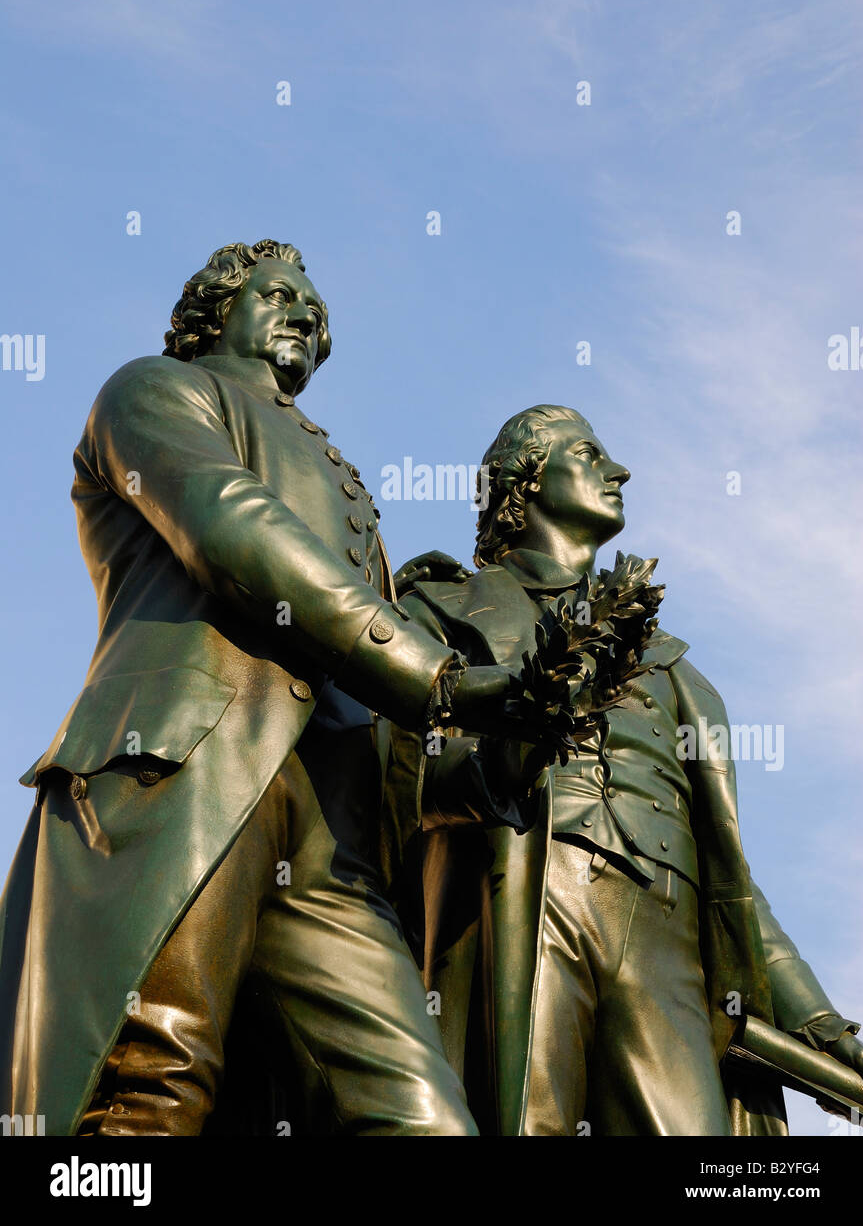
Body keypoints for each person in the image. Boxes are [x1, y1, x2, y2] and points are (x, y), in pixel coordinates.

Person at [0, 239, 532, 1137]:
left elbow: (380, 712)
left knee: (428, 1120)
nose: (305, 317)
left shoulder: (342, 477)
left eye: (318, 314)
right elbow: (228, 524)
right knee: (151, 1088)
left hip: (335, 840)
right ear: (215, 308)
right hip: (187, 773)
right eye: (281, 295)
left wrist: (514, 732)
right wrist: (434, 676)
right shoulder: (155, 392)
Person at [390, 404, 863, 1135]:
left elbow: (733, 885)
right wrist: (506, 759)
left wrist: (820, 1020)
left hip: (665, 939)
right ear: (523, 482)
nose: (619, 471)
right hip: (525, 888)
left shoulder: (673, 668)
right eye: (589, 454)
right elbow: (397, 762)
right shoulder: (439, 607)